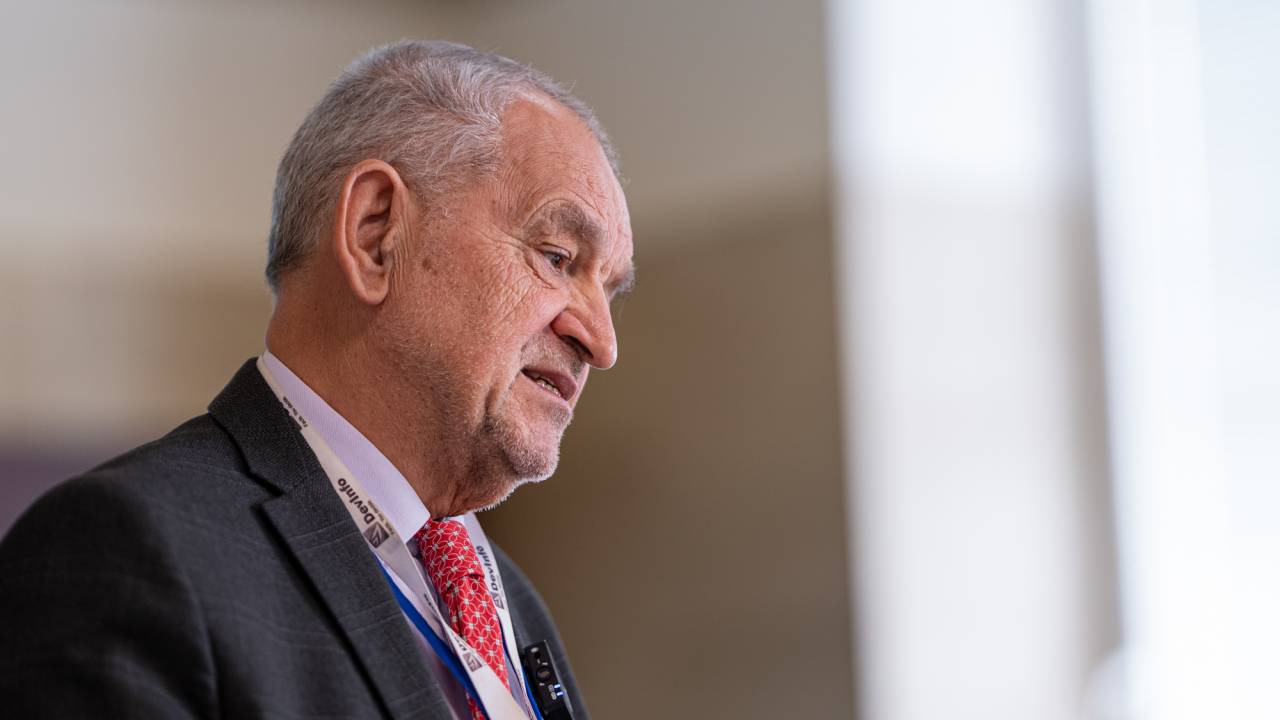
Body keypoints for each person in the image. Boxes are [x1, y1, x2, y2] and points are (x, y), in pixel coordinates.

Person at [0, 40, 633, 720]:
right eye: (557, 256)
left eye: (610, 291)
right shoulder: (126, 552)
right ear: (376, 233)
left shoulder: (510, 604)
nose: (602, 343)